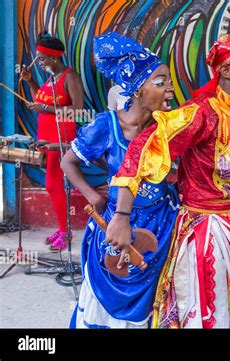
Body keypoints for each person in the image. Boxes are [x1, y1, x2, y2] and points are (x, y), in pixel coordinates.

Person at [106, 24, 230, 328]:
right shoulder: (200, 113)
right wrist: (121, 215)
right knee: (202, 309)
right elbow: (143, 150)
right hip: (203, 231)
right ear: (227, 71)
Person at [61, 32, 179, 328]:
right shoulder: (107, 125)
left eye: (170, 82)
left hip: (162, 225)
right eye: (161, 82)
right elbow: (68, 162)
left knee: (158, 302)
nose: (170, 90)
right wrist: (93, 196)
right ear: (137, 89)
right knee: (111, 294)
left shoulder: (168, 127)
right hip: (115, 225)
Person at [20, 32, 84, 251]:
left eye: (42, 58)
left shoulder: (70, 76)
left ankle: (65, 234)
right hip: (46, 135)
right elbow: (42, 99)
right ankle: (62, 227)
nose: (40, 61)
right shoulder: (50, 78)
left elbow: (78, 111)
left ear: (54, 57)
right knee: (54, 185)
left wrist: (45, 109)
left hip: (61, 137)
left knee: (52, 184)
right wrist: (31, 82)